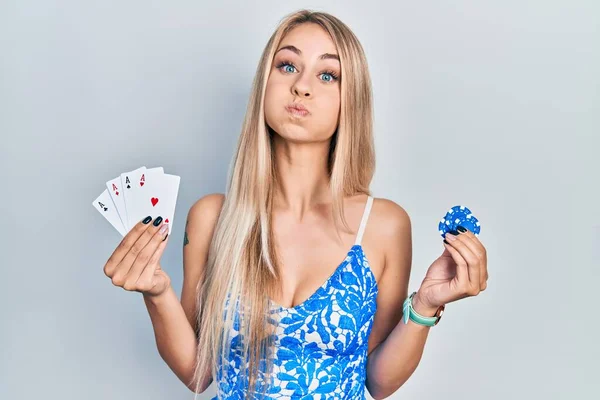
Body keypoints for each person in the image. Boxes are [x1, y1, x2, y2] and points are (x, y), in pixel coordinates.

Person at [102, 9, 489, 400]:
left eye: (327, 75)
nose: (302, 87)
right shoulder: (212, 218)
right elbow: (197, 375)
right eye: (287, 66)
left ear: (349, 100)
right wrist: (157, 294)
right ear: (265, 84)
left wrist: (425, 305)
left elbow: (380, 381)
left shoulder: (382, 224)